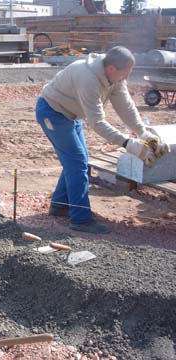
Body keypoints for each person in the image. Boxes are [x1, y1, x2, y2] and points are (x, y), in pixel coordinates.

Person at [35, 46, 169, 234]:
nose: (127, 76)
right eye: (126, 72)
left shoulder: (114, 78)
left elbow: (126, 107)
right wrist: (128, 144)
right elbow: (97, 123)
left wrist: (143, 132)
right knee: (77, 163)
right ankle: (80, 220)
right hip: (53, 113)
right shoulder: (88, 78)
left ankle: (60, 205)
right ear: (112, 68)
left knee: (78, 161)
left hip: (71, 114)